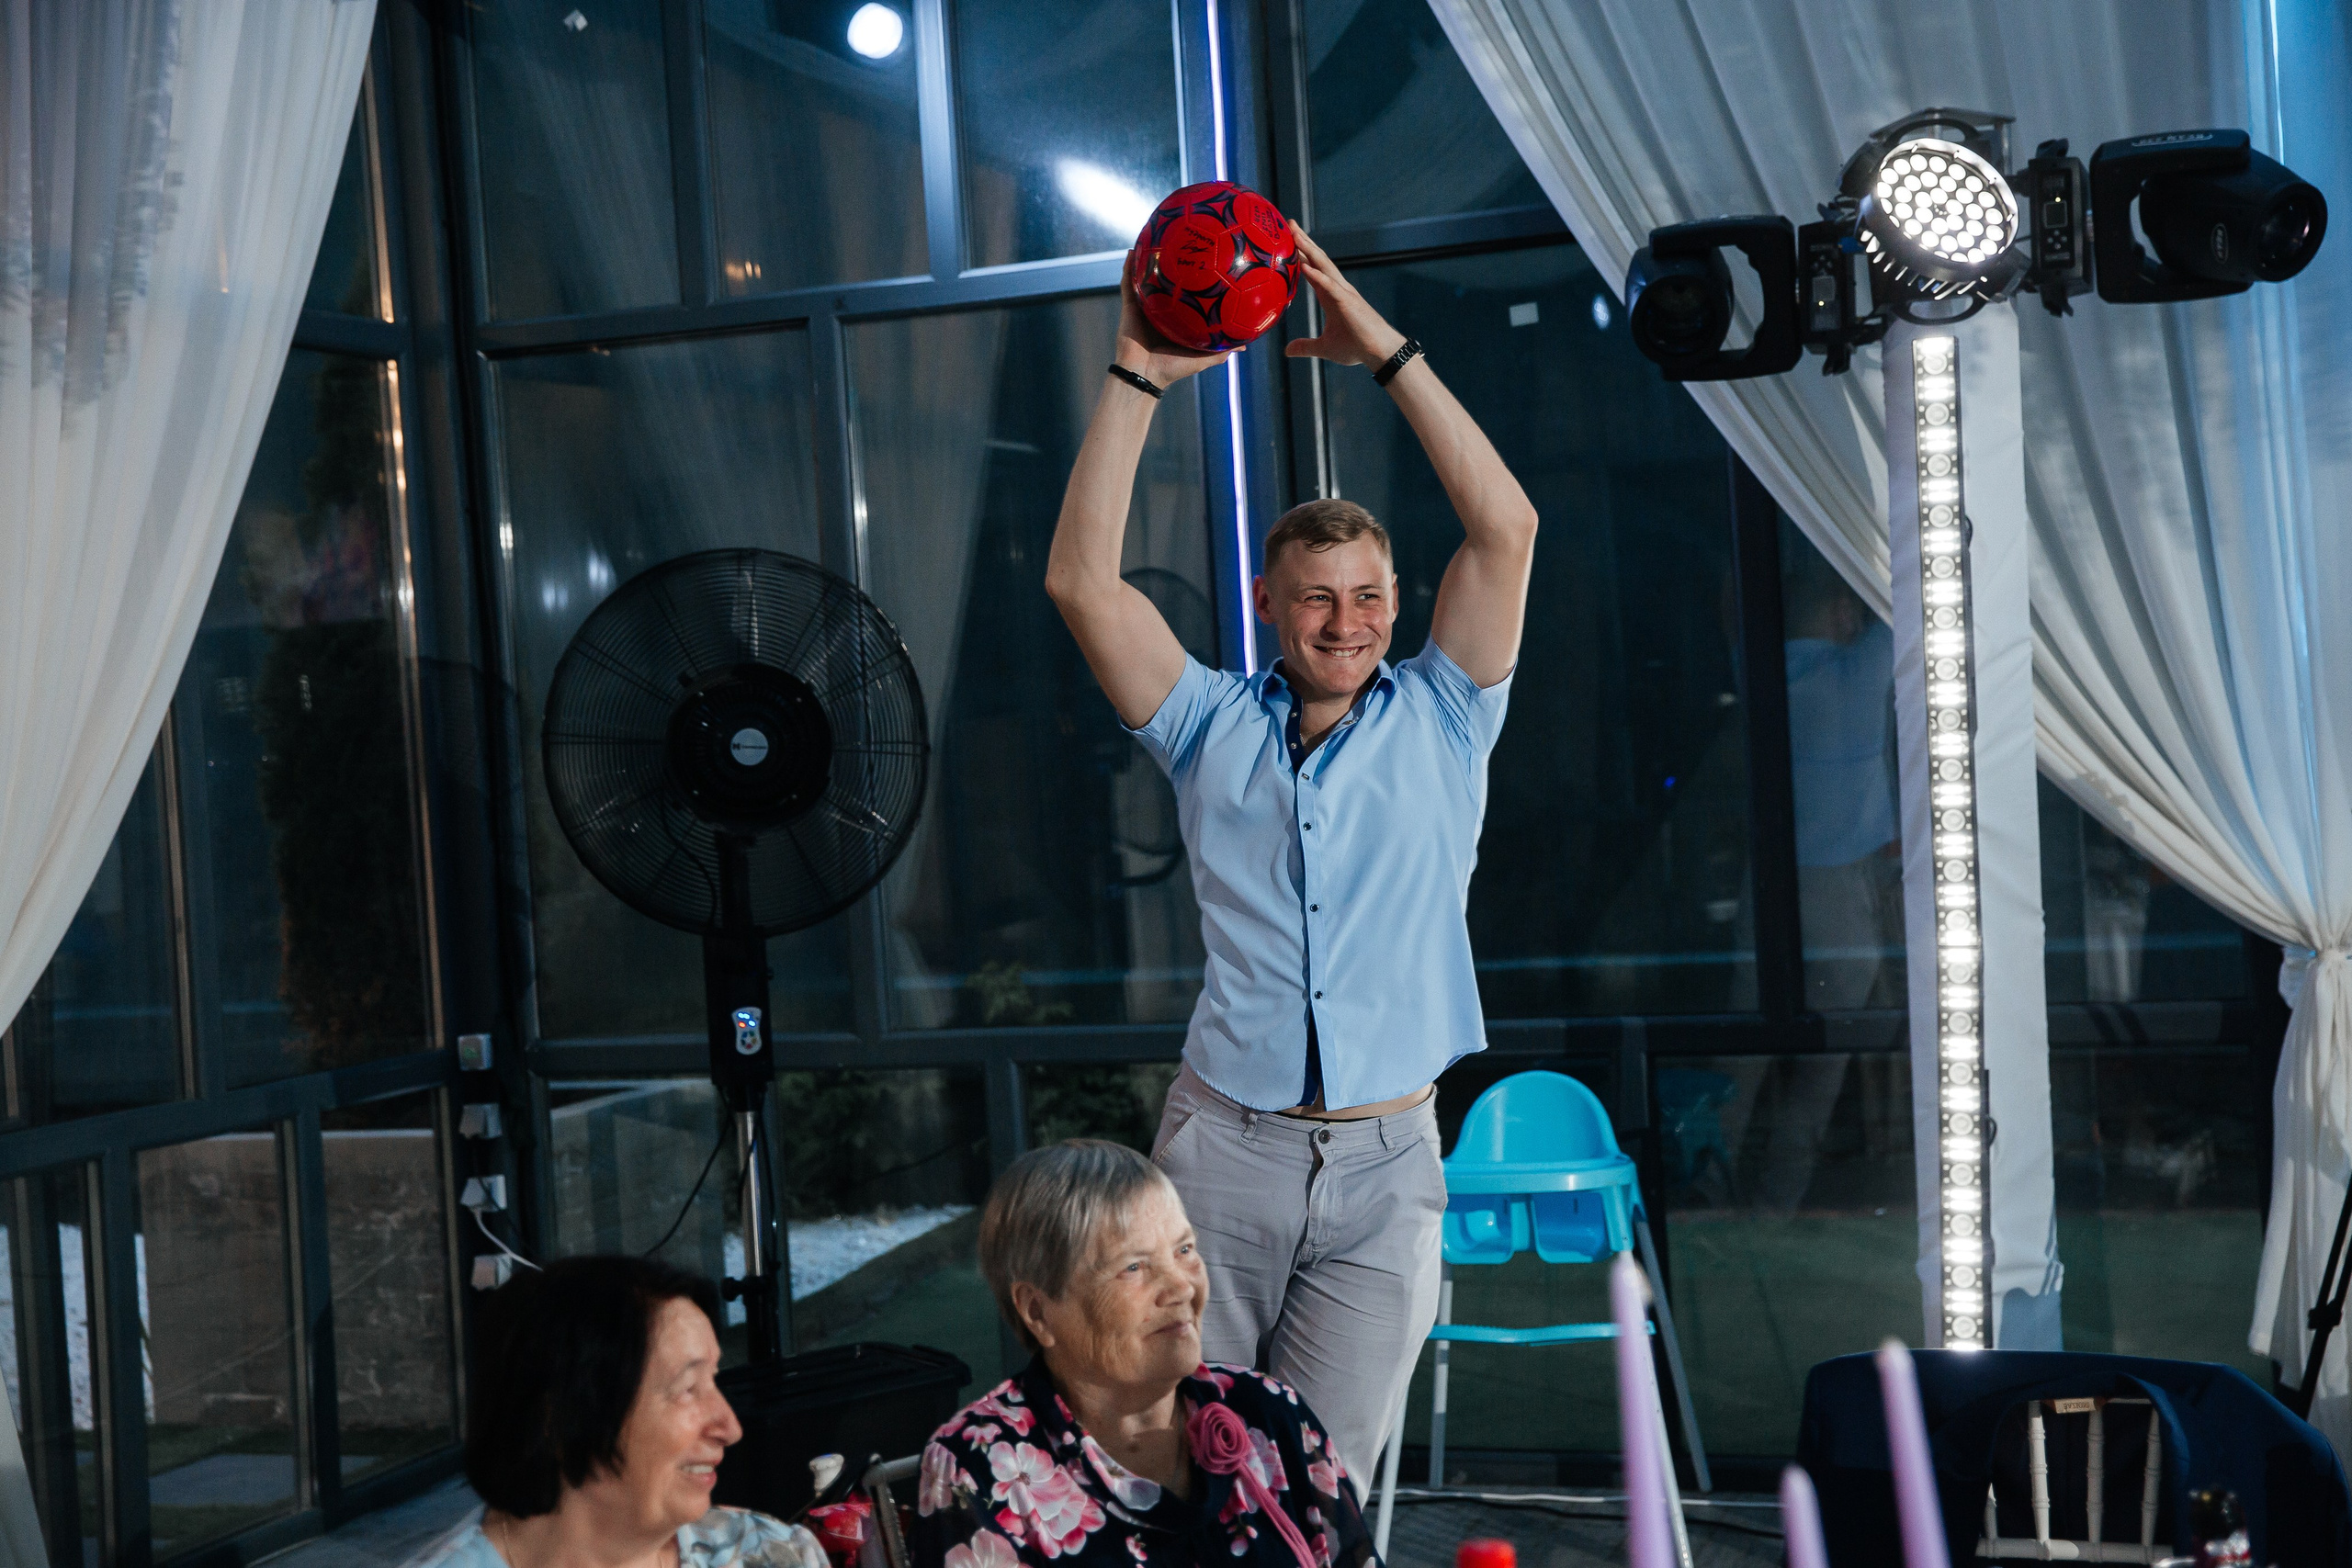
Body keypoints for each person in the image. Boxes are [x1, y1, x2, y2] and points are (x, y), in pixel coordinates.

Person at [1044, 225, 1537, 1485]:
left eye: (1369, 594)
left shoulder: (1447, 711)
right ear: (1269, 600)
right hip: (1222, 1151)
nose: (1348, 621)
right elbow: (1082, 582)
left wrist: (1383, 346)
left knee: (1322, 1491)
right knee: (1172, 1464)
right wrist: (1137, 375)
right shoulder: (1208, 723)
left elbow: (1507, 522)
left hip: (1387, 1165)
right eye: (1318, 595)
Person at [913, 1140, 1373, 1568]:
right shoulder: (980, 1469)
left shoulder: (1269, 1414)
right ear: (1039, 1312)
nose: (1181, 1286)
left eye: (1185, 1250)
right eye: (1134, 1267)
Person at [431, 1255, 826, 1568]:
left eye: (715, 1381)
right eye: (688, 1389)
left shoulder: (771, 1555)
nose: (730, 1427)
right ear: (563, 1414)